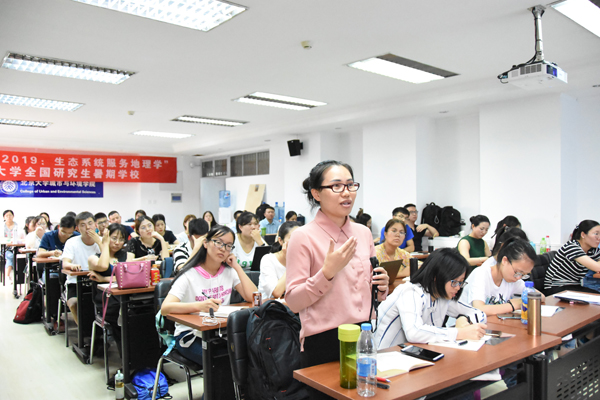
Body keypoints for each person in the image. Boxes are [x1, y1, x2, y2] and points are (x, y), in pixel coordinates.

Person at [286, 160, 389, 384]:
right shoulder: (303, 237)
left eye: (351, 185)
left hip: (363, 334)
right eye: (336, 186)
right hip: (324, 340)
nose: (346, 192)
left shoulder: (363, 233)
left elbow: (364, 287)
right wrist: (327, 273)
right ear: (316, 194)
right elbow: (293, 301)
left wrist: (381, 286)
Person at [160, 226, 257, 366]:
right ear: (205, 243)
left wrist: (237, 266)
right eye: (218, 243)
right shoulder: (189, 274)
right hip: (191, 335)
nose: (223, 249)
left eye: (228, 245)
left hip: (221, 333)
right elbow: (165, 308)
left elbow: (253, 297)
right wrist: (199, 306)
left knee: (252, 354)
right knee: (225, 362)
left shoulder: (229, 271)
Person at [375, 248, 487, 350]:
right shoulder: (411, 292)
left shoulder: (442, 295)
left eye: (461, 282)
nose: (458, 287)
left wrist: (464, 319)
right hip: (385, 357)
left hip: (415, 354)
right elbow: (414, 332)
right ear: (436, 277)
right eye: (454, 282)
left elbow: (480, 314)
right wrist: (459, 333)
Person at [460, 237, 538, 316]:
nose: (518, 278)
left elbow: (540, 296)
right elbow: (479, 309)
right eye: (517, 272)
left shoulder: (511, 279)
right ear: (505, 260)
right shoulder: (481, 273)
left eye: (523, 275)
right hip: (464, 321)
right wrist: (513, 305)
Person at [87, 223, 134, 351]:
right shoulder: (94, 258)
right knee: (120, 314)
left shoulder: (129, 256)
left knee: (137, 311)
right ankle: (126, 355)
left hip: (125, 295)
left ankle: (137, 354)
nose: (117, 243)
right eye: (113, 238)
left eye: (121, 239)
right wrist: (103, 244)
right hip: (107, 299)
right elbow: (103, 266)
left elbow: (127, 278)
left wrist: (103, 279)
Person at [61, 212, 101, 324]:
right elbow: (65, 263)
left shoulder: (102, 240)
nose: (87, 227)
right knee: (74, 303)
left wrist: (99, 242)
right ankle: (83, 329)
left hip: (98, 281)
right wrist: (72, 266)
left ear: (95, 225)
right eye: (83, 225)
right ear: (77, 228)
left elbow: (109, 261)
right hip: (76, 282)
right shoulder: (72, 242)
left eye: (90, 223)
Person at [544, 220, 600, 295]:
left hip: (574, 286)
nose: (599, 238)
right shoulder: (572, 247)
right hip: (556, 287)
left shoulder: (592, 250)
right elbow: (597, 267)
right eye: (596, 234)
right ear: (583, 234)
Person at [258, 221, 301, 299]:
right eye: (293, 238)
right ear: (280, 240)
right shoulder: (268, 260)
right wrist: (291, 262)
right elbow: (277, 292)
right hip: (272, 305)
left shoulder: (303, 259)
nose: (298, 242)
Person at [3, 210, 19, 282]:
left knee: (13, 255)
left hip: (15, 246)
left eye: (10, 215)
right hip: (5, 247)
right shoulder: (2, 226)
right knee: (10, 256)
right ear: (4, 217)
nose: (9, 217)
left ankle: (10, 276)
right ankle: (8, 276)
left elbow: (20, 236)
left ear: (13, 216)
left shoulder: (17, 226)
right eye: (7, 216)